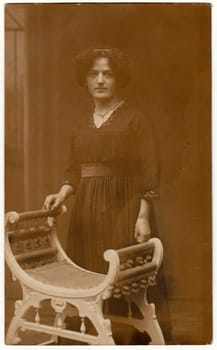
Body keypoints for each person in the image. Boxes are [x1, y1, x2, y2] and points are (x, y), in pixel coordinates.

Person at [43, 47, 171, 341]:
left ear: (119, 79)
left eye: (108, 74)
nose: (100, 80)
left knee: (122, 282)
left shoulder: (136, 119)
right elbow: (73, 170)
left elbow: (151, 171)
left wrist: (142, 217)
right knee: (89, 279)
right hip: (86, 214)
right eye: (94, 74)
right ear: (85, 80)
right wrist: (62, 194)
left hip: (123, 210)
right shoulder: (79, 123)